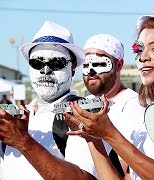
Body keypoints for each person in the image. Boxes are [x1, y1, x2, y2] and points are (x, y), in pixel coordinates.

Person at [65, 5, 154, 180]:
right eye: (139, 49)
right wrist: (94, 138)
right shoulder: (150, 112)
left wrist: (109, 133)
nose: (143, 57)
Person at [0, 21, 99, 179]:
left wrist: (23, 142)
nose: (45, 70)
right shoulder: (14, 118)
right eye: (37, 63)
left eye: (56, 63)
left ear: (73, 68)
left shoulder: (83, 113)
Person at [81, 34, 145, 179]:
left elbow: (126, 172)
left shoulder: (134, 107)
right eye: (86, 65)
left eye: (99, 64)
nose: (91, 71)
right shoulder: (82, 104)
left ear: (119, 66)